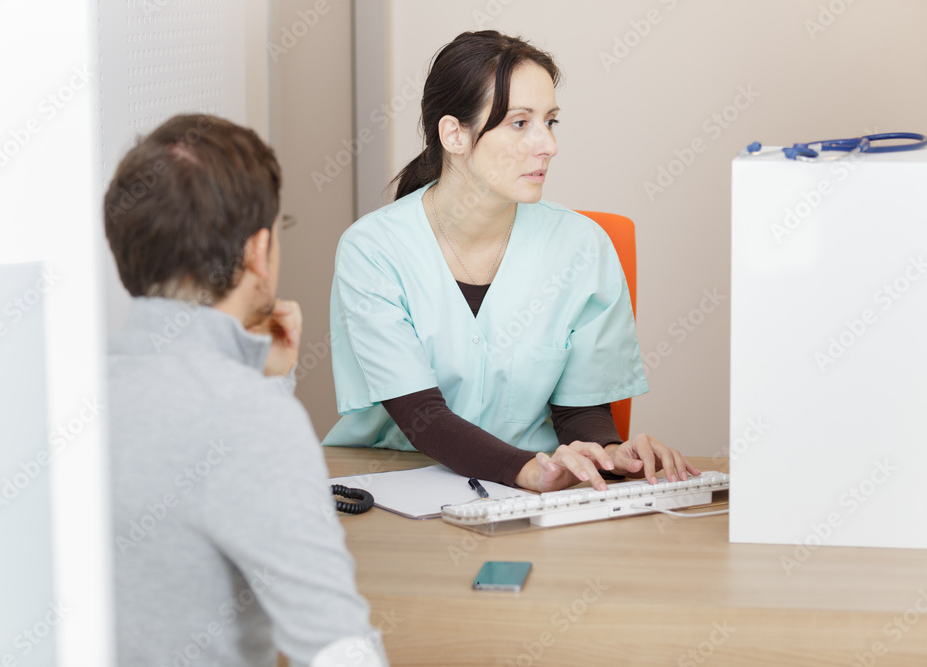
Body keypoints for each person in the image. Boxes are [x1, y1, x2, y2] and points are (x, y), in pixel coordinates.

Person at [323, 31, 699, 493]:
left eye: (551, 121)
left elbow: (579, 411)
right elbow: (422, 418)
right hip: (394, 485)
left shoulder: (582, 245)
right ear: (454, 134)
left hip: (528, 493)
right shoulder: (373, 250)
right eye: (520, 123)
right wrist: (525, 470)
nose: (548, 145)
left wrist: (608, 454)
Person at [104, 114, 388, 667]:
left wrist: (262, 378)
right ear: (258, 252)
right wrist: (259, 399)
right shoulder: (246, 418)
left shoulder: (70, 391)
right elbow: (337, 650)